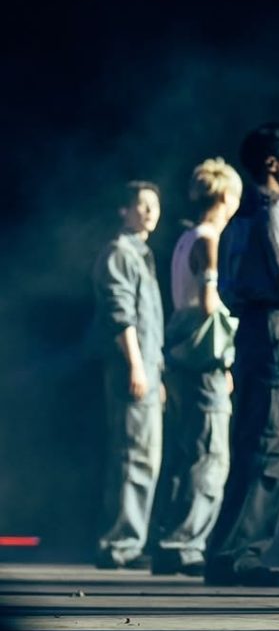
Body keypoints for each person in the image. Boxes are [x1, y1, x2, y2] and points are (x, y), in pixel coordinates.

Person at [204, 125, 279, 587]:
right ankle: (237, 555)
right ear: (271, 162)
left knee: (254, 441)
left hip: (251, 329)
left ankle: (229, 552)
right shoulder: (271, 210)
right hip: (275, 327)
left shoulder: (241, 215)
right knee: (272, 444)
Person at [152, 158, 243, 577]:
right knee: (210, 454)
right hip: (203, 359)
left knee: (187, 450)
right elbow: (207, 303)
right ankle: (186, 544)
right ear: (225, 196)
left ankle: (170, 540)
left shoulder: (184, 239)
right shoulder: (209, 240)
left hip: (180, 354)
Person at [93, 180, 165, 569]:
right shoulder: (119, 253)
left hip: (147, 367)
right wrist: (137, 365)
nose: (151, 211)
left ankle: (127, 542)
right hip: (130, 368)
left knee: (143, 456)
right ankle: (120, 544)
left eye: (155, 204)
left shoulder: (140, 254)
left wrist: (156, 371)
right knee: (133, 456)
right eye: (142, 204)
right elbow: (120, 314)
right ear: (125, 210)